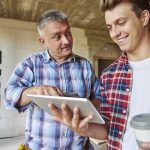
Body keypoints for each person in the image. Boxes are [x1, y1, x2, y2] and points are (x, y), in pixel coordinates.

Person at [48, 1, 150, 150]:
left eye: (121, 23)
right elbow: (109, 128)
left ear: (144, 17)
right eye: (109, 27)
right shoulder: (109, 75)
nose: (115, 33)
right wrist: (84, 129)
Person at [4, 10, 101, 150]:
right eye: (57, 37)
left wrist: (87, 111)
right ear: (43, 41)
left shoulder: (85, 65)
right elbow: (8, 95)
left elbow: (99, 96)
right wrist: (33, 91)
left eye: (68, 32)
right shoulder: (31, 64)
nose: (66, 40)